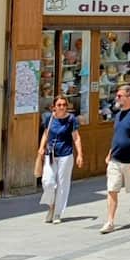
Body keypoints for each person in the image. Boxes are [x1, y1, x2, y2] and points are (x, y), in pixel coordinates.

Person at [101, 85, 130, 233]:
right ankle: (110, 221)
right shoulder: (119, 115)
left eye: (120, 96)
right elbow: (118, 136)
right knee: (112, 190)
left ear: (129, 98)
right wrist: (110, 153)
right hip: (115, 160)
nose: (117, 98)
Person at [37, 95, 83, 224]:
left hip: (65, 155)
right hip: (51, 154)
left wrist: (80, 154)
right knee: (48, 181)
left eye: (64, 105)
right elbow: (46, 133)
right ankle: (51, 206)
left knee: (62, 183)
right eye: (59, 105)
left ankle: (57, 212)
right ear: (54, 107)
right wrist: (41, 147)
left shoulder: (71, 119)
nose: (62, 107)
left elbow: (76, 137)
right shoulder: (49, 118)